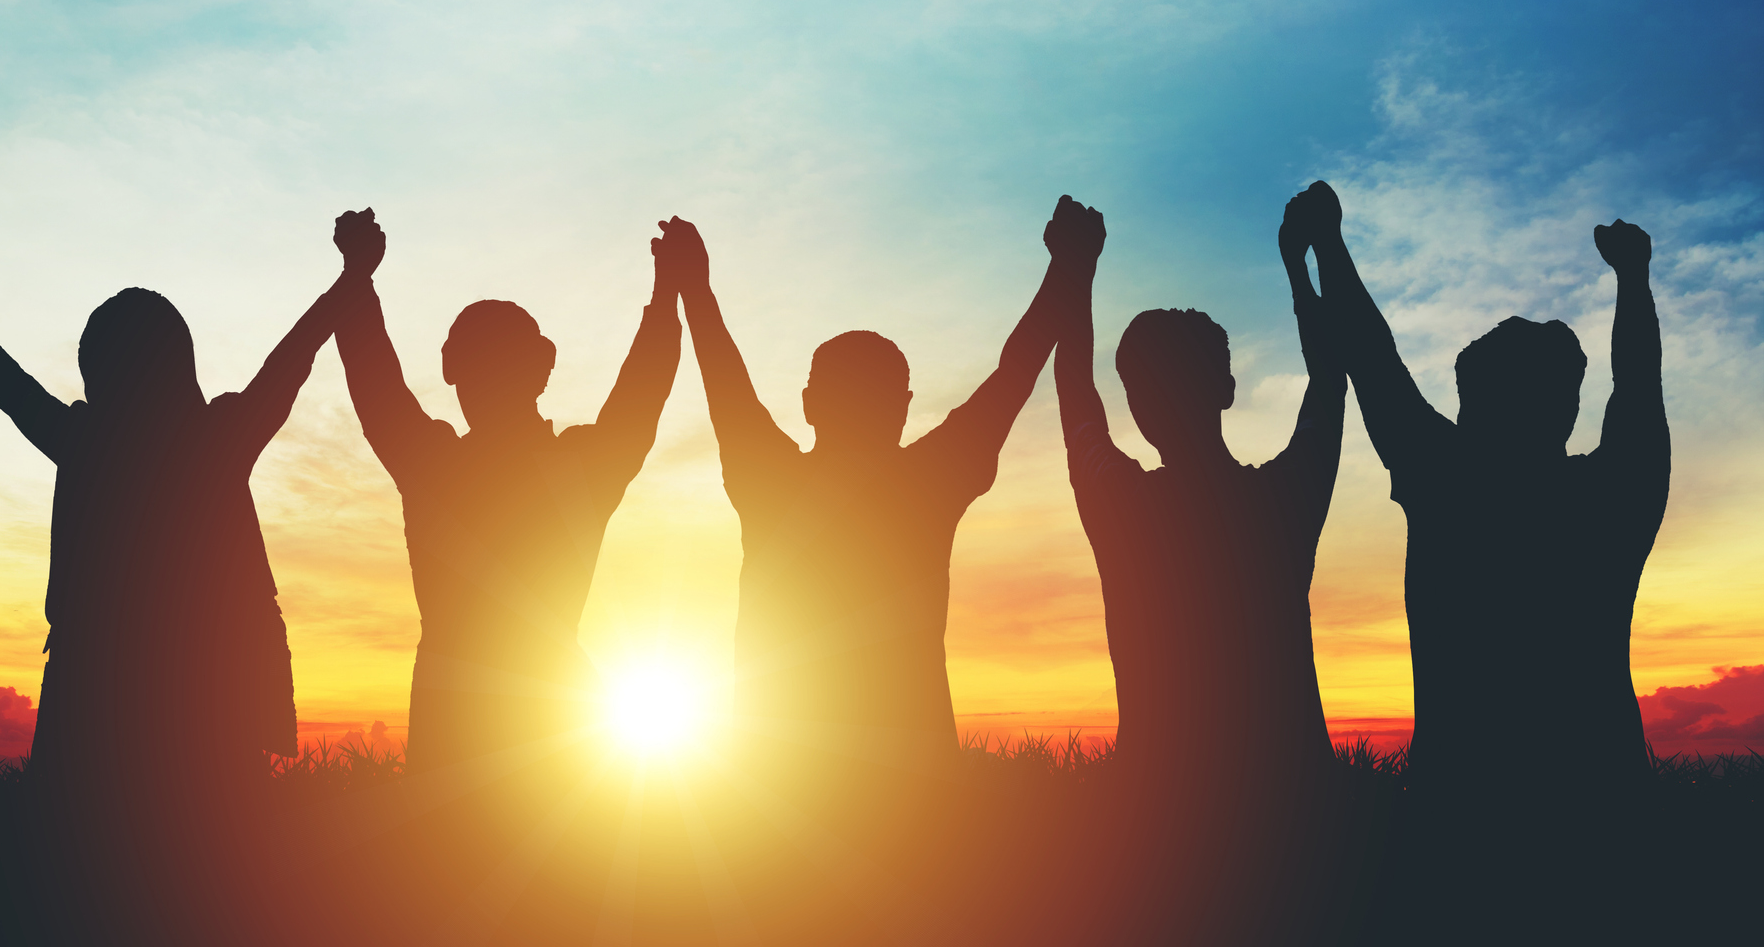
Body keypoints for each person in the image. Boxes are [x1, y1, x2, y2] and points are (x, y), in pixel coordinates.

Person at [1299, 181, 1668, 935]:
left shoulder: (1445, 479)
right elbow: (1637, 386)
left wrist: (1329, 243)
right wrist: (1633, 276)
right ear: (1565, 408)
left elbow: (1372, 359)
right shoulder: (1612, 497)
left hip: (1457, 833)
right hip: (1604, 824)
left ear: (1467, 408)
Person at [0, 235, 355, 810]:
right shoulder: (217, 438)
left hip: (94, 697)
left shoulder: (83, 441)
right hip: (210, 702)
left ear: (97, 370)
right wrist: (350, 278)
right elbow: (291, 361)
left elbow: (3, 378)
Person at [654, 203, 1085, 771]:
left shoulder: (771, 481)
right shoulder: (930, 482)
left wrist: (693, 288)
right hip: (911, 791)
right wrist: (1068, 269)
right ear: (903, 407)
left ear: (809, 404)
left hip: (773, 790)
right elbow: (1015, 372)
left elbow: (722, 375)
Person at [1048, 191, 1349, 944]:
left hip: (1159, 840)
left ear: (1138, 407)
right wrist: (1300, 261)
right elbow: (1329, 378)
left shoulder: (1119, 507)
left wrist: (1075, 271)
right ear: (1227, 388)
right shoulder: (1286, 497)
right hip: (1298, 837)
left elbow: (1074, 389)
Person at [330, 209, 681, 774]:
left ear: (448, 368)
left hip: (464, 728)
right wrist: (667, 296)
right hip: (554, 726)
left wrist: (358, 278)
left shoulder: (435, 465)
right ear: (544, 366)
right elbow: (643, 394)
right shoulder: (580, 468)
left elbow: (375, 384)